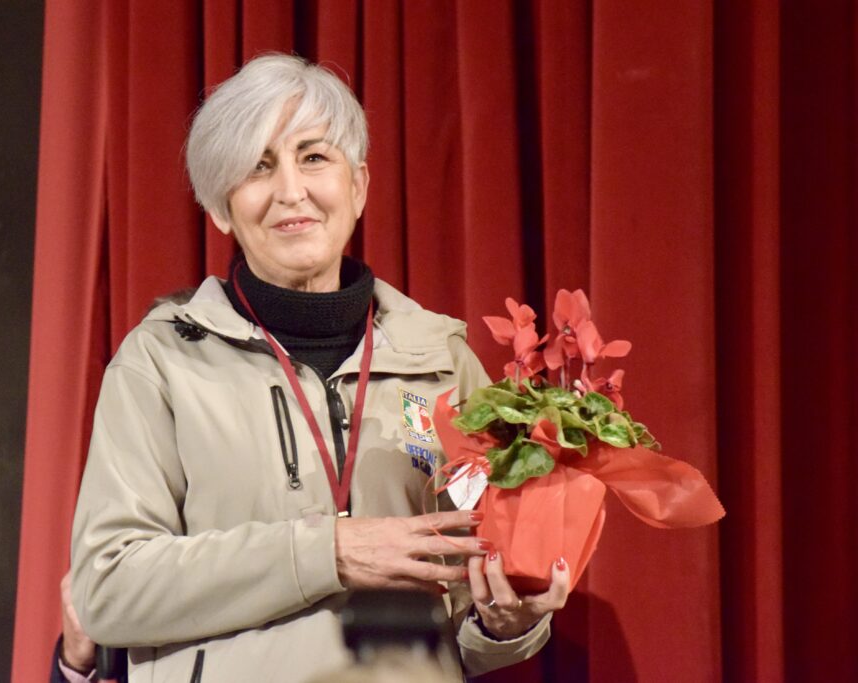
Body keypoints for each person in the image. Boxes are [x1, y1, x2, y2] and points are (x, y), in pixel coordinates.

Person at [70, 53, 569, 682]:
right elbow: (108, 586)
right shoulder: (162, 362)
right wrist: (327, 552)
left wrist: (505, 623)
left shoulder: (442, 361)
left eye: (313, 157)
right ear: (221, 207)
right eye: (258, 166)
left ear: (357, 186)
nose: (290, 191)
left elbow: (468, 607)